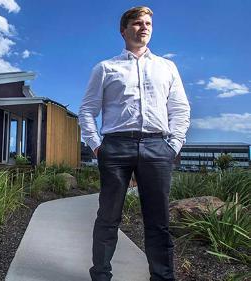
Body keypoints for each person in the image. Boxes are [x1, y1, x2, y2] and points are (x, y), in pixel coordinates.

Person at [78, 6, 190, 281]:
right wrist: (96, 145)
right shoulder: (106, 68)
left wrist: (173, 145)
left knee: (158, 222)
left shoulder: (167, 67)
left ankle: (162, 277)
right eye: (138, 23)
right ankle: (101, 275)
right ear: (124, 30)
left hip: (157, 147)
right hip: (115, 148)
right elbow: (87, 110)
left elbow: (180, 109)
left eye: (148, 23)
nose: (144, 27)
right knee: (108, 218)